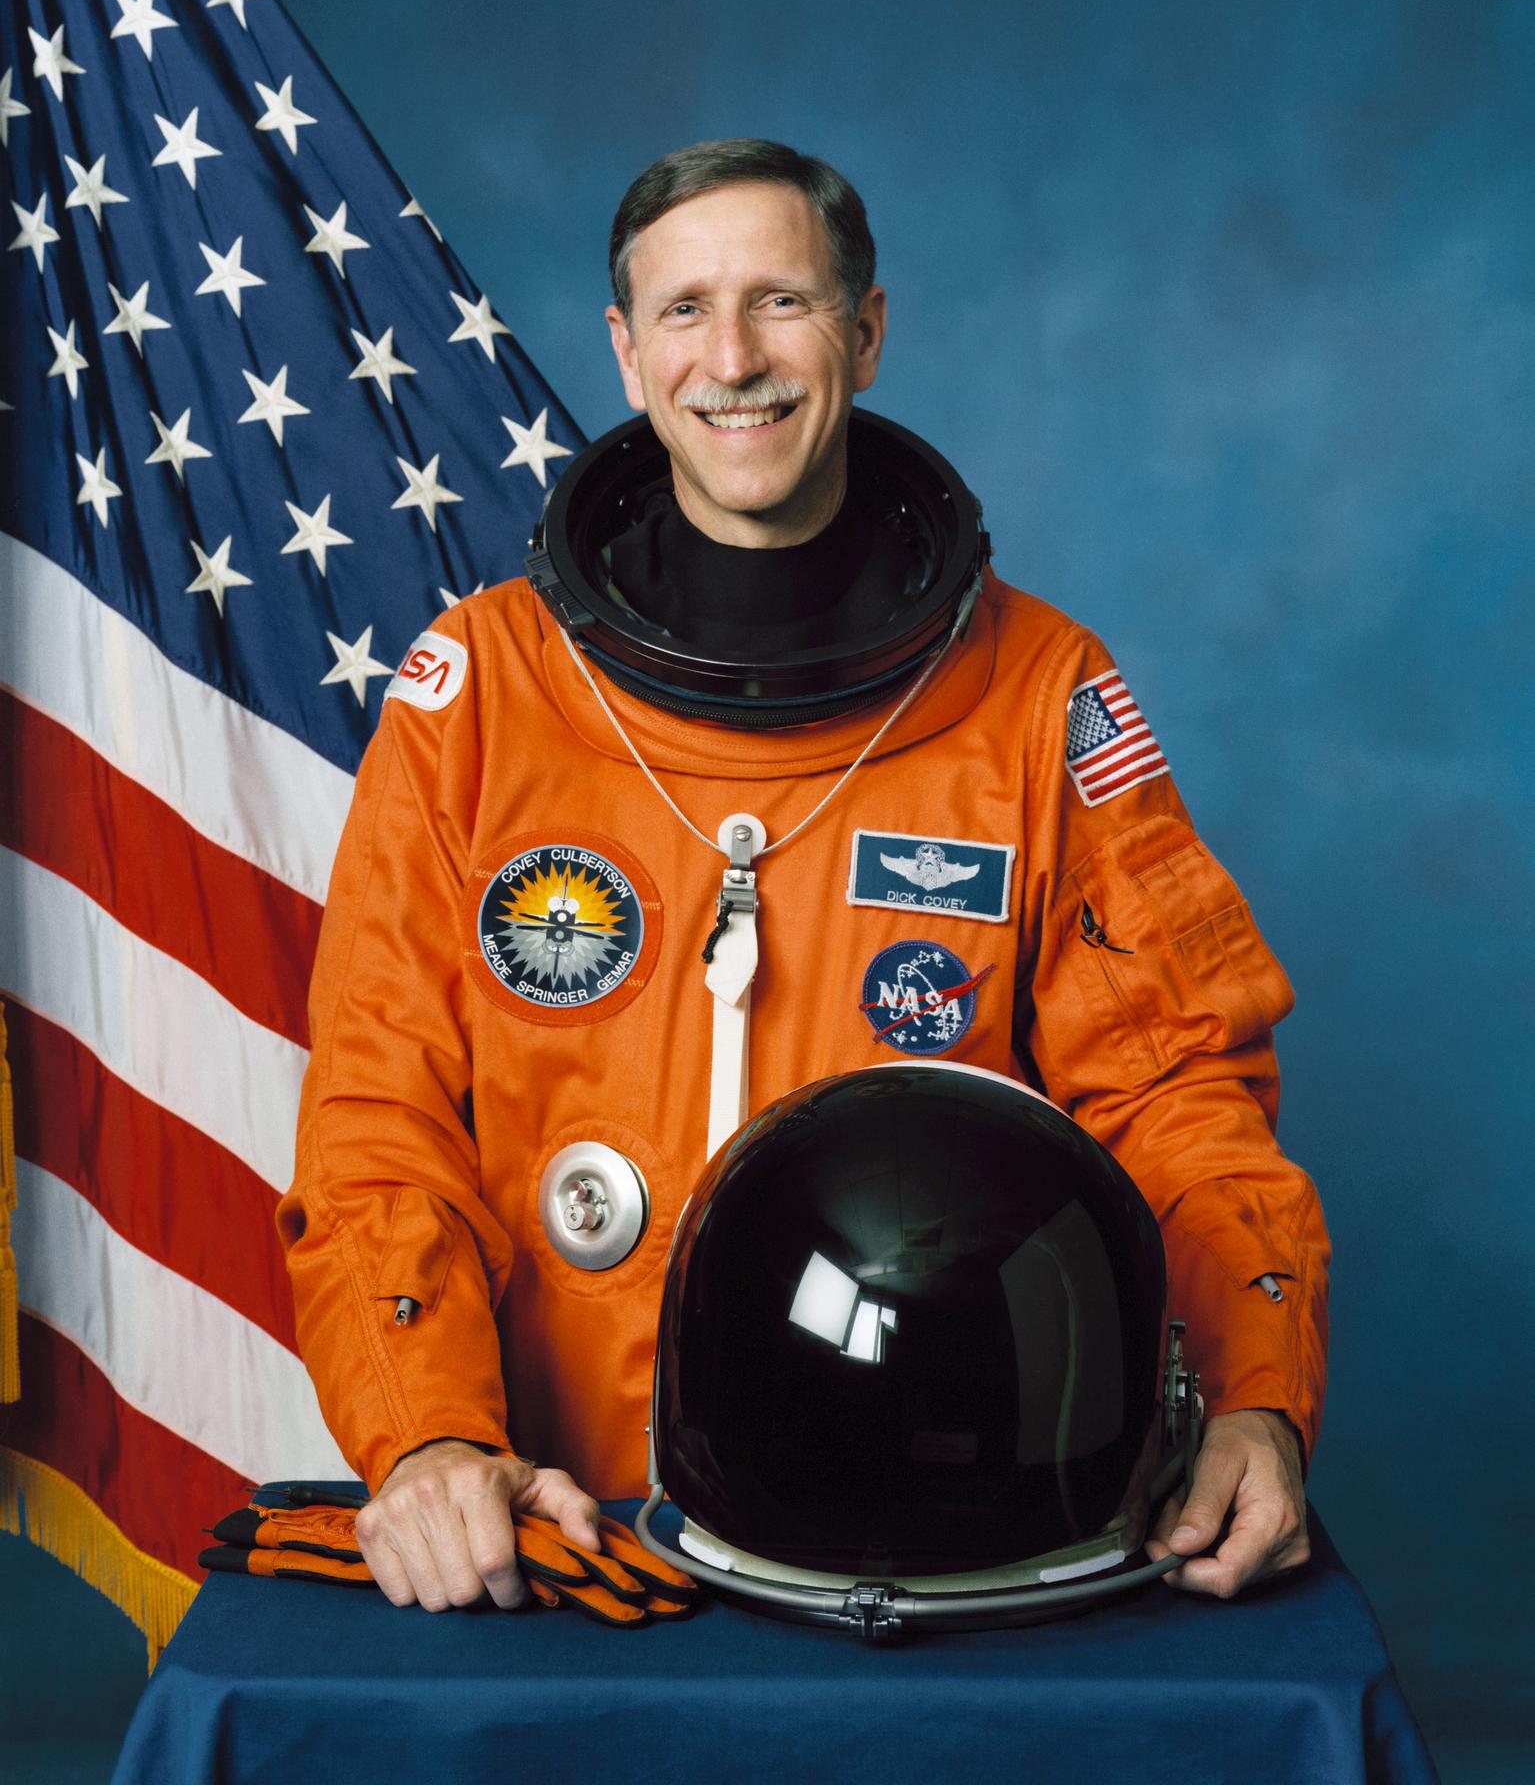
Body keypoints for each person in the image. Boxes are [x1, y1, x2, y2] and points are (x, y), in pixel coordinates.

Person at [278, 139, 1328, 1618]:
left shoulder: (1035, 694)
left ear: (867, 332)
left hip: (938, 1543)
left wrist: (1254, 1396)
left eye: (782, 301)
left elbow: (1176, 1096)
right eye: (689, 311)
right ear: (628, 355)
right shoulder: (481, 698)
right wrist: (431, 1435)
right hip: (565, 1529)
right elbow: (378, 1118)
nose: (736, 358)